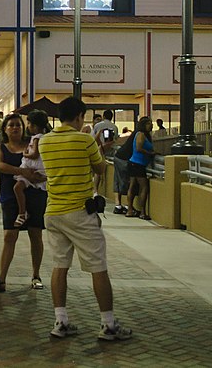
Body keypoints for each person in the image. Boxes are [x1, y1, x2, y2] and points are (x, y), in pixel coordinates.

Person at [40, 96, 132, 341]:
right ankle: (108, 324)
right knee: (98, 268)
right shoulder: (84, 139)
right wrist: (97, 149)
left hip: (53, 212)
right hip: (79, 212)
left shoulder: (45, 141)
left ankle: (61, 321)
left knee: (59, 266)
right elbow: (100, 169)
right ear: (80, 116)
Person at [0, 111, 47, 293]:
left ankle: (36, 275)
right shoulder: (0, 148)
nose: (15, 128)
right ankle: (1, 278)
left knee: (35, 234)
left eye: (18, 124)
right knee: (10, 236)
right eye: (11, 125)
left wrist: (36, 176)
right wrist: (23, 172)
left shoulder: (33, 144)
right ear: (5, 129)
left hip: (35, 194)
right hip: (11, 196)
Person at [13, 112, 48, 228]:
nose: (27, 126)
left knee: (17, 188)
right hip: (36, 169)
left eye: (28, 123)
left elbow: (35, 154)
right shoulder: (44, 137)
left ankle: (22, 212)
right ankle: (22, 212)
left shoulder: (37, 138)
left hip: (32, 168)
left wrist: (25, 154)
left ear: (34, 126)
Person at [126, 116, 153, 220]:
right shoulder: (141, 135)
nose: (151, 125)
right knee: (144, 187)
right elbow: (139, 148)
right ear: (144, 125)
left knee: (132, 186)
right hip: (138, 164)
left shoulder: (141, 134)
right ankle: (142, 212)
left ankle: (130, 210)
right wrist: (151, 153)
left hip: (133, 163)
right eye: (149, 123)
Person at [111, 128, 133, 215]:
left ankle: (118, 205)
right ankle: (128, 205)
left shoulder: (128, 137)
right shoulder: (137, 135)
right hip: (124, 159)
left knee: (117, 179)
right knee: (127, 181)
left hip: (118, 157)